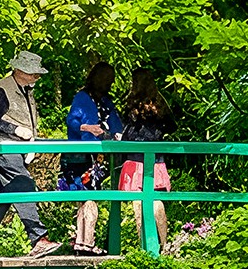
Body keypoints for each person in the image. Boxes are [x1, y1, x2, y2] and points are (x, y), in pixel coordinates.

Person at [0, 51, 62, 258]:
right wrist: (15, 130)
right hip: (3, 146)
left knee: (1, 195)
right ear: (20, 70)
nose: (37, 77)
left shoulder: (25, 89)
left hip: (15, 147)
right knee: (23, 183)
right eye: (33, 73)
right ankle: (38, 238)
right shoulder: (3, 89)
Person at [61, 61, 124, 255]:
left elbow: (116, 125)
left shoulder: (106, 101)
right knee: (88, 197)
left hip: (97, 158)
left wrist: (115, 135)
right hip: (79, 157)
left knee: (88, 198)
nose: (109, 84)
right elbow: (71, 121)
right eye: (107, 80)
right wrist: (87, 128)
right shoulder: (82, 97)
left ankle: (82, 243)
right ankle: (86, 243)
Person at [120, 68, 177, 248]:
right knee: (156, 200)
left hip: (135, 159)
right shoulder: (159, 104)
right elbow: (172, 126)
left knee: (138, 202)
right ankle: (164, 243)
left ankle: (144, 246)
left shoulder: (132, 105)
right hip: (156, 160)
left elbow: (126, 131)